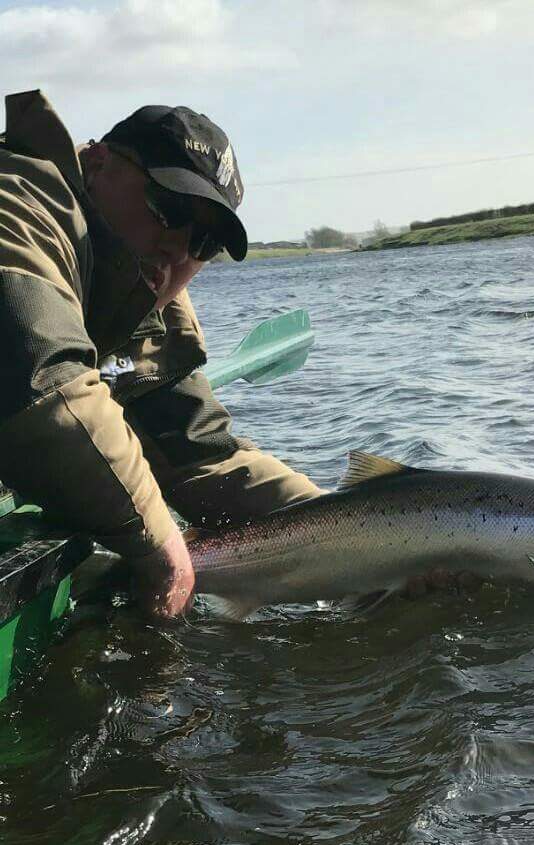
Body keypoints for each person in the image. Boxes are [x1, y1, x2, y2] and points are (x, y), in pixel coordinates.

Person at [0, 89, 322, 618]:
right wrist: (159, 541)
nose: (179, 250)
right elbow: (40, 383)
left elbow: (200, 455)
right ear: (96, 163)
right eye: (168, 209)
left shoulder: (142, 300)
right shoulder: (19, 203)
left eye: (204, 243)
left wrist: (363, 534)